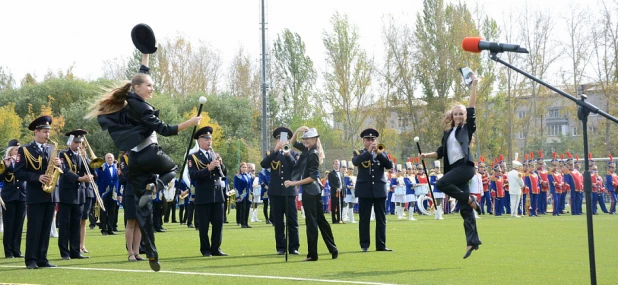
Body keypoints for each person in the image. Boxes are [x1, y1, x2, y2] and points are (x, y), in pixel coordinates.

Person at [88, 51, 202, 271]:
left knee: (144, 212)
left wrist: (145, 53)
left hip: (136, 161)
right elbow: (166, 130)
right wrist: (192, 122)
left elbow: (142, 72)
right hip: (150, 154)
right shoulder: (143, 108)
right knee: (173, 168)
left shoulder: (130, 99)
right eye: (149, 86)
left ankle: (151, 253)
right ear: (137, 88)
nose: (152, 88)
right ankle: (157, 186)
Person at [418, 73, 481, 259]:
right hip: (455, 171)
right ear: (452, 116)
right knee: (465, 210)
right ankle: (472, 241)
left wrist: (474, 85)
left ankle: (470, 199)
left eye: (462, 113)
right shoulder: (448, 133)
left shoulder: (466, 129)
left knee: (440, 184)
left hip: (465, 167)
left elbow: (471, 107)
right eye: (456, 113)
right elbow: (441, 152)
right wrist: (426, 155)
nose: (460, 115)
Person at [14, 116, 61, 269]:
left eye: (48, 131)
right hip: (35, 194)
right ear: (36, 132)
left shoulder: (51, 148)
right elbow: (18, 172)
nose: (48, 135)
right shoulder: (25, 150)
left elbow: (61, 170)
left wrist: (60, 165)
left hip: (51, 193)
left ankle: (43, 258)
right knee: (34, 228)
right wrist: (37, 177)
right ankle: (31, 260)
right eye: (44, 132)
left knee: (46, 228)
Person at [284, 127, 337, 261]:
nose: (305, 140)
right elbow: (293, 143)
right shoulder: (307, 150)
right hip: (312, 191)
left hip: (310, 191)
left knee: (312, 223)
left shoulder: (313, 153)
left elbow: (313, 177)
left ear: (314, 139)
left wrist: (294, 183)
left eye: (308, 138)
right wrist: (298, 130)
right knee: (320, 221)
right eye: (305, 138)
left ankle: (313, 254)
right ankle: (333, 249)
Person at [188, 126, 228, 257]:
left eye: (210, 139)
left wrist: (220, 164)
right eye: (206, 139)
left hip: (217, 194)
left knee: (218, 224)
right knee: (204, 225)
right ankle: (205, 249)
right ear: (199, 141)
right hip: (203, 194)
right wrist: (208, 169)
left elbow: (224, 174)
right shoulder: (193, 157)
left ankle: (216, 248)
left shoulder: (214, 155)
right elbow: (193, 175)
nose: (209, 141)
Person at [352, 128, 394, 252]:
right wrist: (369, 152)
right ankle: (364, 245)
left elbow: (389, 165)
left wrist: (379, 154)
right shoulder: (359, 153)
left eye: (373, 139)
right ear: (364, 141)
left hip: (379, 190)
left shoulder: (382, 152)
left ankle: (381, 245)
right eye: (368, 139)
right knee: (364, 219)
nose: (371, 141)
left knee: (381, 219)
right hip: (365, 190)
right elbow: (356, 162)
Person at [259, 127, 299, 255]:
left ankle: (293, 247)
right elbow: (264, 164)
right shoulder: (271, 153)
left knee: (292, 221)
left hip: (290, 192)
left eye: (285, 139)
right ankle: (281, 247)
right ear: (276, 141)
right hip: (276, 192)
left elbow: (296, 168)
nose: (282, 141)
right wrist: (276, 151)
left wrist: (287, 155)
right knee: (278, 221)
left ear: (288, 140)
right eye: (279, 139)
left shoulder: (293, 154)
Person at [57, 130, 92, 260]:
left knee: (76, 224)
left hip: (80, 194)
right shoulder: (63, 154)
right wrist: (80, 179)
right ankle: (65, 252)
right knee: (65, 224)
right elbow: (64, 171)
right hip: (67, 194)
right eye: (76, 142)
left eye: (80, 142)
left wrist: (87, 159)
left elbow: (91, 170)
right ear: (70, 142)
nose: (78, 145)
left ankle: (75, 251)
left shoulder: (82, 156)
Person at [1, 139, 27, 259]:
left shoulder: (23, 162)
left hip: (22, 195)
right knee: (9, 224)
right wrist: (6, 167)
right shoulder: (4, 162)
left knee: (19, 225)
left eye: (19, 150)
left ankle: (17, 249)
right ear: (10, 151)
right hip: (9, 196)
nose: (18, 152)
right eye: (16, 150)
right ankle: (9, 251)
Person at [95, 153, 119, 235]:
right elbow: (97, 180)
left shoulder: (116, 167)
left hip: (113, 192)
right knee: (103, 211)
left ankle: (110, 228)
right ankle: (104, 229)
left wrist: (118, 193)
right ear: (105, 159)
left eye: (111, 158)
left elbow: (116, 180)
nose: (110, 159)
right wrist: (97, 192)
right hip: (104, 192)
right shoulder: (101, 167)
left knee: (112, 211)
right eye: (108, 158)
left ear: (113, 158)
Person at [234, 162, 252, 228]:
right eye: (243, 167)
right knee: (243, 209)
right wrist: (237, 196)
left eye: (245, 167)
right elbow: (236, 186)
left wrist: (251, 193)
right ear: (240, 168)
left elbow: (250, 185)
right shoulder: (237, 176)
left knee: (247, 208)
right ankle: (242, 223)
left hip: (248, 194)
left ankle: (246, 223)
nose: (244, 168)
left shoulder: (249, 176)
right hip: (242, 194)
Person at [327, 159, 345, 224]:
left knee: (340, 206)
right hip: (335, 193)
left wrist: (343, 191)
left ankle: (340, 219)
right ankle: (334, 220)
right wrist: (336, 188)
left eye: (338, 164)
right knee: (334, 206)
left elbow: (343, 183)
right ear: (333, 165)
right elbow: (330, 183)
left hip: (341, 192)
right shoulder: (331, 174)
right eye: (335, 164)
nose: (337, 165)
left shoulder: (341, 173)